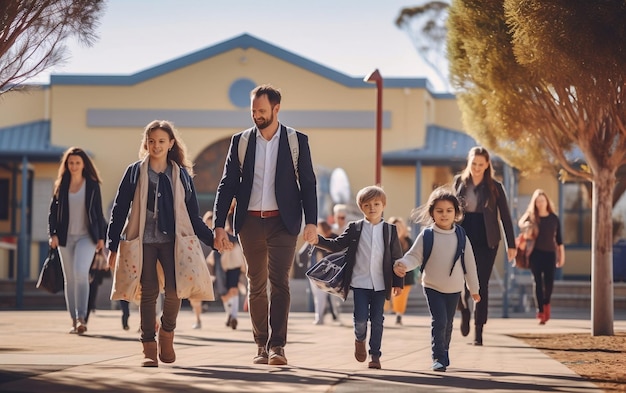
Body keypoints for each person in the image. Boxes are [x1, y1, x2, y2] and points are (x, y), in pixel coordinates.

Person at [213, 84, 318, 366]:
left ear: (276, 108)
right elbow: (227, 185)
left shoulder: (296, 141)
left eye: (261, 110)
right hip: (249, 223)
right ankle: (261, 344)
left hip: (283, 223)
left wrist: (312, 223)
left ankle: (278, 346)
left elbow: (308, 184)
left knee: (280, 283)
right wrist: (219, 224)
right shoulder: (242, 141)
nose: (256, 115)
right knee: (256, 284)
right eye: (253, 111)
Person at [106, 120, 215, 367]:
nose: (156, 145)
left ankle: (167, 333)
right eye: (151, 141)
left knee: (175, 291)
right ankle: (148, 346)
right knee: (149, 291)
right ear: (146, 143)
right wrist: (111, 245)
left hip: (172, 242)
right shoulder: (135, 172)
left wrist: (213, 240)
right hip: (142, 241)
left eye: (161, 141)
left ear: (171, 144)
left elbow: (194, 215)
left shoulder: (182, 176)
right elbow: (119, 209)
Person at [311, 185, 403, 369]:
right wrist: (318, 240)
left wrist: (398, 282)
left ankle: (375, 355)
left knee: (377, 320)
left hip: (380, 285)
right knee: (360, 319)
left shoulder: (390, 231)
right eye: (367, 204)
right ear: (361, 207)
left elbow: (396, 258)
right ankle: (359, 339)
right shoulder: (355, 228)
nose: (372, 208)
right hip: (359, 283)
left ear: (383, 205)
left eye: (376, 204)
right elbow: (337, 245)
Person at [393, 186, 480, 372]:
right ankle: (438, 357)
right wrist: (402, 264)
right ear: (432, 212)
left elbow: (470, 264)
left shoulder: (461, 236)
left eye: (449, 211)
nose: (444, 214)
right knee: (439, 320)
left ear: (456, 213)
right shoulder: (427, 235)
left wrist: (474, 289)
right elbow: (414, 256)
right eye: (439, 211)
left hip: (455, 288)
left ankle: (444, 350)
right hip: (432, 286)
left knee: (448, 323)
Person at [453, 146, 516, 346]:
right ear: (468, 162)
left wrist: (511, 244)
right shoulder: (459, 182)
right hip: (464, 233)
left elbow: (505, 216)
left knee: (481, 284)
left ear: (487, 164)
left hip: (488, 238)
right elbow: (450, 211)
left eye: (481, 164)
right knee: (461, 280)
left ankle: (478, 332)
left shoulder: (495, 187)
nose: (477, 168)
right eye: (474, 163)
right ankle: (463, 309)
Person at [48, 147, 107, 335]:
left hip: (86, 237)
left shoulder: (92, 185)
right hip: (65, 238)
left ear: (83, 165)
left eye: (77, 163)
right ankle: (74, 320)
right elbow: (52, 213)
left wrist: (101, 237)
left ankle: (82, 317)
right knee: (70, 279)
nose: (74, 166)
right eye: (70, 163)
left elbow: (98, 212)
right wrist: (53, 234)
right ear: (67, 164)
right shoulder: (61, 185)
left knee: (80, 273)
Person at [517, 189, 565, 325]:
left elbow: (559, 240)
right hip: (535, 254)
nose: (540, 203)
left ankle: (546, 304)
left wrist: (562, 256)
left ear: (547, 202)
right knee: (537, 282)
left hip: (550, 254)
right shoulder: (532, 216)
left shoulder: (554, 218)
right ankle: (540, 311)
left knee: (549, 283)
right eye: (537, 201)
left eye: (542, 201)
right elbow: (520, 223)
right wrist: (527, 224)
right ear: (535, 203)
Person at [306, 219, 339, 325]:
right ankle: (319, 317)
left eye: (319, 228)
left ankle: (335, 315)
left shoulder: (334, 237)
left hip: (334, 272)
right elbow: (316, 256)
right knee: (319, 295)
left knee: (333, 296)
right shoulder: (317, 239)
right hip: (322, 272)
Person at [190, 211, 216, 329]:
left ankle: (202, 311)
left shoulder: (215, 237)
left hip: (210, 269)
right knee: (194, 297)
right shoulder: (199, 235)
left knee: (203, 293)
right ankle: (198, 318)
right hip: (197, 268)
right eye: (208, 222)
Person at [387, 216, 415, 326]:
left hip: (406, 275)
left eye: (399, 227)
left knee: (402, 296)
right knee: (394, 295)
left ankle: (399, 314)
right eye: (395, 227)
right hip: (391, 274)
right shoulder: (388, 241)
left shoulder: (408, 241)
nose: (397, 229)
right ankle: (393, 310)